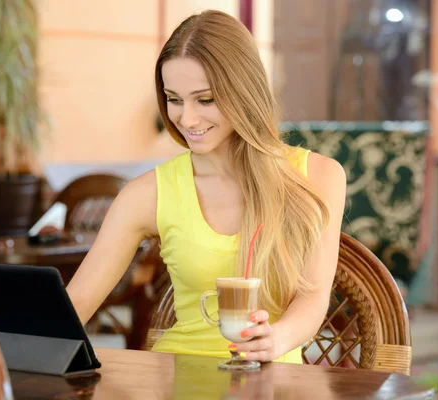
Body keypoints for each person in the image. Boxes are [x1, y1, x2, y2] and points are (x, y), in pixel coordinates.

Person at [66, 9, 346, 364]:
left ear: (243, 91)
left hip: (274, 383)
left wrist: (277, 339)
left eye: (205, 99)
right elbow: (74, 307)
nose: (187, 118)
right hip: (176, 380)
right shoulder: (146, 194)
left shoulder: (318, 177)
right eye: (174, 99)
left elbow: (313, 297)